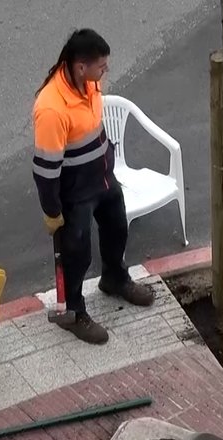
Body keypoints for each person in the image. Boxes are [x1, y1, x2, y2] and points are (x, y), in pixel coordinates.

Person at [32, 29, 154, 345]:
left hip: (103, 177)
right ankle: (72, 311)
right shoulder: (51, 108)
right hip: (75, 192)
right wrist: (52, 211)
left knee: (117, 228)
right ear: (80, 66)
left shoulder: (90, 82)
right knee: (77, 252)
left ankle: (115, 278)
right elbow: (45, 170)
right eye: (101, 66)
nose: (105, 72)